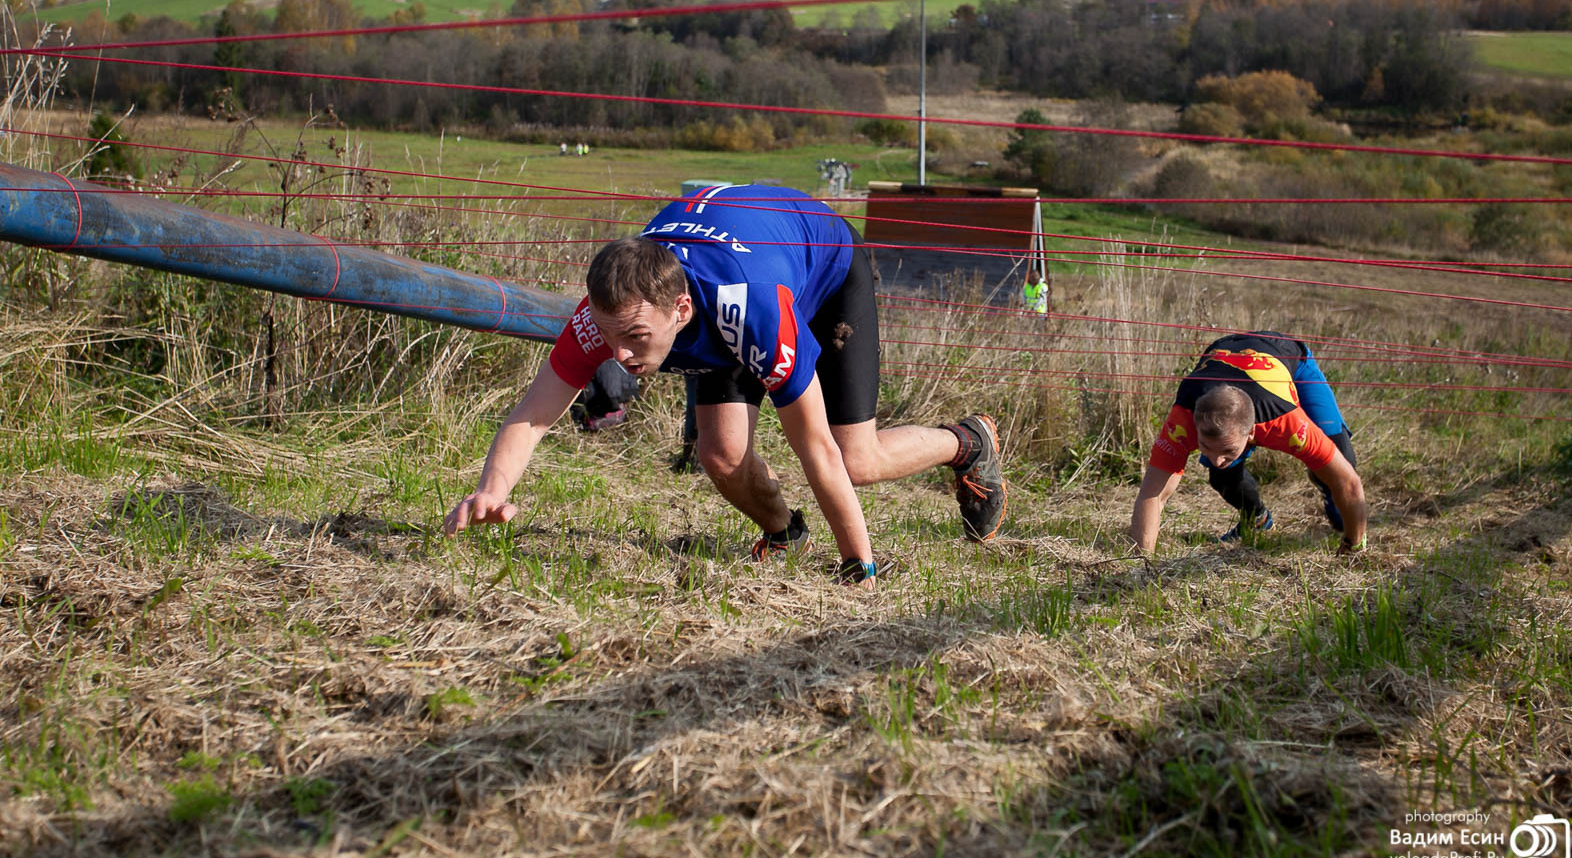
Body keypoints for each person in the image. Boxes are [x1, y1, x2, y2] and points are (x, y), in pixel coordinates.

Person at [445, 183, 1008, 585]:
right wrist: (492, 490)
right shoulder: (610, 315)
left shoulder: (751, 311)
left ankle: (968, 442)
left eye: (636, 337)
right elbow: (532, 415)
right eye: (610, 336)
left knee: (855, 458)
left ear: (679, 309)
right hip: (733, 269)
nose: (618, 355)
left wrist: (859, 567)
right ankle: (786, 534)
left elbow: (815, 448)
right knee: (720, 455)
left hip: (823, 268)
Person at [1127, 330, 1366, 557]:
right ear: (1195, 427)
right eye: (1205, 447)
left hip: (1288, 358)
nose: (1216, 459)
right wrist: (1141, 564)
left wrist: (1353, 548)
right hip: (1226, 350)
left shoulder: (1285, 422)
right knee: (1222, 477)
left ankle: (1336, 509)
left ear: (1252, 432)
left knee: (1340, 461)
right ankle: (1257, 520)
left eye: (1227, 449)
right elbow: (1153, 494)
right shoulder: (1183, 420)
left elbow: (1350, 483)